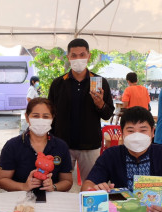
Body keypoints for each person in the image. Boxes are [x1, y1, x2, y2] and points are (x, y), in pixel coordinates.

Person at [48, 38, 114, 183]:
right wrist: (51, 141)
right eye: (74, 55)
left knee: (91, 186)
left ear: (89, 56)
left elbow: (108, 114)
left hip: (90, 146)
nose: (78, 59)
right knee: (58, 185)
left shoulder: (100, 82)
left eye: (82, 55)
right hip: (62, 145)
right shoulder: (58, 84)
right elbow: (50, 115)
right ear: (68, 57)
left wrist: (100, 104)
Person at [0, 98, 73, 192]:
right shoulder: (12, 146)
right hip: (20, 201)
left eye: (45, 117)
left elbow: (67, 181)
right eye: (36, 116)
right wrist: (23, 186)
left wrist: (54, 187)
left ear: (52, 118)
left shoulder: (61, 146)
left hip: (52, 200)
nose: (41, 120)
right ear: (27, 117)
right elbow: (1, 180)